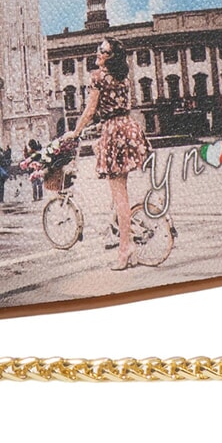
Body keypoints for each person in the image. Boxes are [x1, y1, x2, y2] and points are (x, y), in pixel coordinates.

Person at [59, 38, 149, 270]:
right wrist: (102, 124)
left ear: (111, 57)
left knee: (120, 199)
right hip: (128, 128)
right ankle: (127, 241)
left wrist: (75, 132)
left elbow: (90, 110)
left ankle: (125, 249)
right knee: (121, 194)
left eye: (102, 50)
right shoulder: (123, 78)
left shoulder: (98, 77)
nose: (97, 52)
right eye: (99, 49)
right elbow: (119, 108)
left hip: (113, 134)